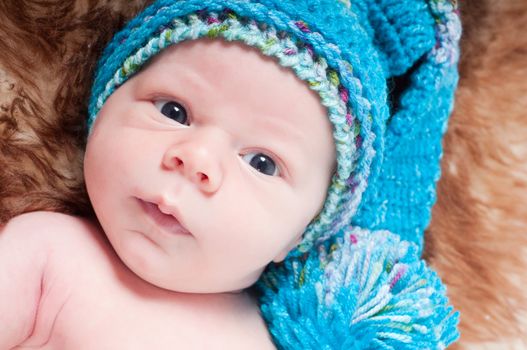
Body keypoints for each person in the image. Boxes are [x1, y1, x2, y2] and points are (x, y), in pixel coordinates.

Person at [0, 0, 461, 348]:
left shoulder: (283, 332)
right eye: (174, 110)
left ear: (302, 233)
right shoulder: (48, 252)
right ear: (102, 107)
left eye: (262, 162)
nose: (196, 158)